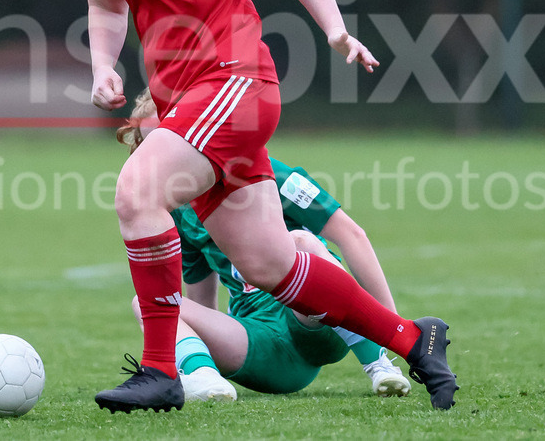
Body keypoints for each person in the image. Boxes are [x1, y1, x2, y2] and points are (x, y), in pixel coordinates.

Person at [87, 0, 457, 412]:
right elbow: (104, 2)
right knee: (267, 264)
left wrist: (335, 30)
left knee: (136, 191)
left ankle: (159, 372)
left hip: (235, 84)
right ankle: (414, 339)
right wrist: (103, 65)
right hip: (188, 104)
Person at [117, 90, 411, 401]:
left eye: (169, 136)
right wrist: (196, 352)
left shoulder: (266, 172)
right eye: (151, 144)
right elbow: (201, 307)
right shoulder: (178, 213)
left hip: (318, 321)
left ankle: (378, 362)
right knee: (150, 301)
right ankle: (202, 379)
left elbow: (351, 235)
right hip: (262, 345)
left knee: (301, 242)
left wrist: (396, 334)